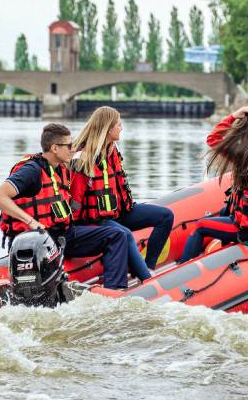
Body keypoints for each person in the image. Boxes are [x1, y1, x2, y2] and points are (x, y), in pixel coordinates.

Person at [0, 123, 130, 290]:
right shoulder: (32, 170)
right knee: (117, 235)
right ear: (55, 148)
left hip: (62, 235)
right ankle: (114, 292)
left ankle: (114, 290)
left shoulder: (60, 168)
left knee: (116, 235)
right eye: (69, 145)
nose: (73, 149)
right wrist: (30, 222)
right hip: (40, 240)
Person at [69, 106, 174, 281]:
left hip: (120, 211)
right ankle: (146, 279)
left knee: (165, 216)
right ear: (107, 128)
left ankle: (148, 266)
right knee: (124, 234)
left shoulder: (113, 150)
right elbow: (75, 201)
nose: (121, 128)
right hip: (95, 220)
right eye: (119, 124)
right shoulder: (82, 159)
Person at [178, 105, 248, 263]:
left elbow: (213, 139)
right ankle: (225, 253)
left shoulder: (245, 154)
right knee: (227, 208)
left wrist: (233, 116)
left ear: (243, 129)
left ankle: (184, 268)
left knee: (200, 227)